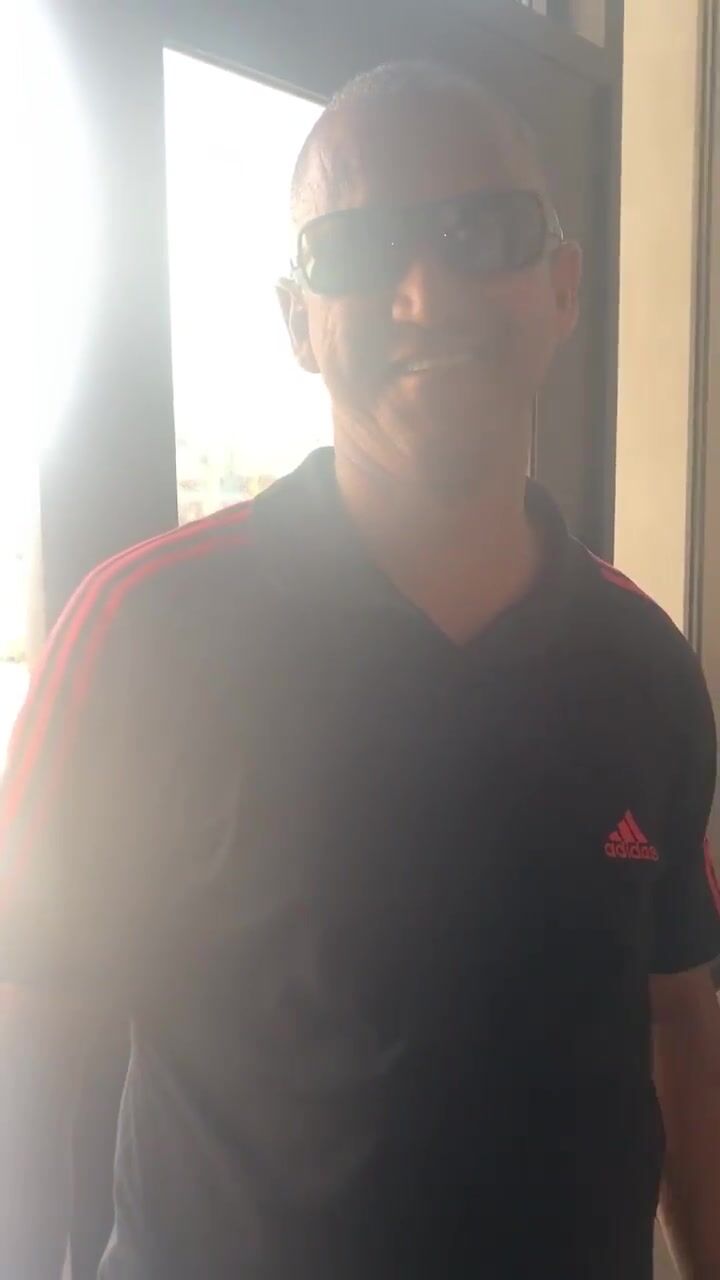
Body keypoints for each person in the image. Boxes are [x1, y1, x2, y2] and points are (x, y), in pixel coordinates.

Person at [3, 60, 720, 1280]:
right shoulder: (141, 630)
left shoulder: (643, 661)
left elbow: (681, 1021)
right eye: (358, 249)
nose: (425, 292)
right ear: (299, 320)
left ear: (561, 285)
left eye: (481, 231)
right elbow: (28, 1035)